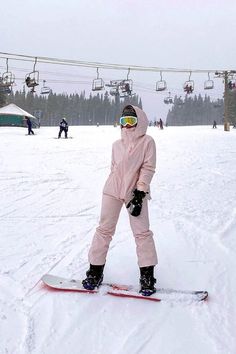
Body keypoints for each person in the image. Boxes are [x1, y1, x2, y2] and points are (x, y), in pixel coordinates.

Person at [82, 105, 158, 296]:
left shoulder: (148, 142)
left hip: (135, 192)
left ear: (139, 122)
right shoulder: (116, 145)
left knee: (142, 233)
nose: (127, 126)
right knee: (104, 230)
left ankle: (147, 276)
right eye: (124, 121)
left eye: (131, 121)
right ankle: (95, 272)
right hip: (112, 190)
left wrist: (140, 193)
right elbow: (114, 168)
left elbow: (148, 168)